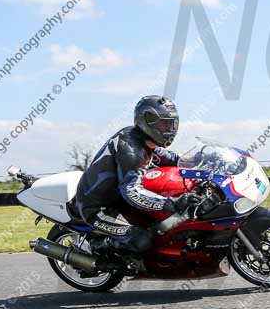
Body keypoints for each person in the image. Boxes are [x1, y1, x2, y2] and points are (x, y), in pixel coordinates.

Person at [74, 95, 201, 255]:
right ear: (147, 121)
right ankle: (92, 248)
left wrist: (201, 159)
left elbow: (174, 159)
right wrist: (173, 203)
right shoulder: (131, 151)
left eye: (171, 123)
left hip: (118, 200)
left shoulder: (144, 141)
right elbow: (131, 192)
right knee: (142, 241)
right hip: (97, 207)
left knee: (163, 226)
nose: (169, 129)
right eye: (164, 124)